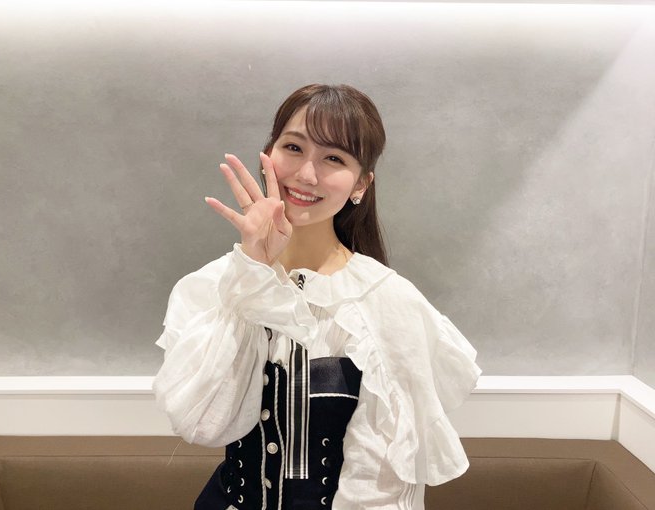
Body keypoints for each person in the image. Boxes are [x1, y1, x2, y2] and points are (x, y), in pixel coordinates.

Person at [152, 84, 482, 510]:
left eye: (334, 158)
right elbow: (202, 424)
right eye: (293, 147)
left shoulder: (389, 302)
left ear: (361, 184)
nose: (307, 174)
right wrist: (254, 272)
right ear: (268, 156)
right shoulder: (214, 286)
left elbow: (382, 483)